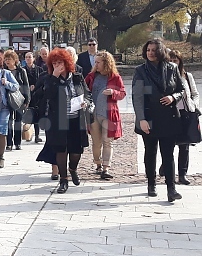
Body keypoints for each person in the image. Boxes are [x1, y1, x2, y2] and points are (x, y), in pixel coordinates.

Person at [132, 39, 186, 201]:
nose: (150, 53)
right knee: (150, 153)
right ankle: (151, 183)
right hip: (149, 117)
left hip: (168, 117)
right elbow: (138, 97)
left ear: (161, 52)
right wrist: (141, 119)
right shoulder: (141, 70)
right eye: (148, 50)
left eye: (154, 50)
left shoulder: (172, 68)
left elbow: (181, 89)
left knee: (168, 154)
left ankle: (171, 189)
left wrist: (173, 97)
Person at [39, 48, 92, 194]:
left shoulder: (77, 76)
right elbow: (47, 95)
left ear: (67, 62)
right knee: (61, 149)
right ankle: (63, 179)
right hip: (58, 120)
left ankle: (73, 168)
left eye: (60, 62)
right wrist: (54, 77)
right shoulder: (49, 78)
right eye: (54, 63)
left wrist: (86, 102)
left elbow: (87, 93)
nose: (57, 65)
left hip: (76, 118)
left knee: (76, 151)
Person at [85, 51, 126, 180]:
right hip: (94, 114)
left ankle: (105, 168)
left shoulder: (114, 77)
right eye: (95, 62)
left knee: (107, 142)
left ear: (106, 63)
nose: (96, 64)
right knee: (96, 143)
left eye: (98, 62)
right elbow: (84, 90)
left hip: (109, 114)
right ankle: (97, 163)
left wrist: (113, 92)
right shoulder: (92, 76)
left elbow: (122, 93)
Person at [167, 50, 199, 185]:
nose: (173, 63)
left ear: (180, 61)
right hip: (172, 114)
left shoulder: (187, 76)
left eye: (176, 60)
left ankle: (182, 174)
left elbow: (195, 93)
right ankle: (166, 166)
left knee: (184, 145)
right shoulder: (166, 76)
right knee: (169, 144)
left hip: (187, 113)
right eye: (171, 60)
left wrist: (194, 105)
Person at [3, 50, 30, 151]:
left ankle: (17, 143)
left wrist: (27, 100)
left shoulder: (21, 71)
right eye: (6, 59)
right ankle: (9, 143)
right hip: (7, 100)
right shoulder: (3, 71)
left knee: (18, 121)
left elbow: (26, 86)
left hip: (19, 99)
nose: (7, 61)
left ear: (15, 60)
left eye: (9, 59)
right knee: (8, 122)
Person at [23, 52, 44, 143]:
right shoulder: (22, 70)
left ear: (33, 58)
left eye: (30, 57)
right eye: (26, 57)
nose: (28, 59)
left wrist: (35, 86)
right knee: (26, 115)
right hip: (26, 94)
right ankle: (27, 134)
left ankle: (37, 135)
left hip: (37, 95)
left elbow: (42, 81)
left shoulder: (39, 69)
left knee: (36, 115)